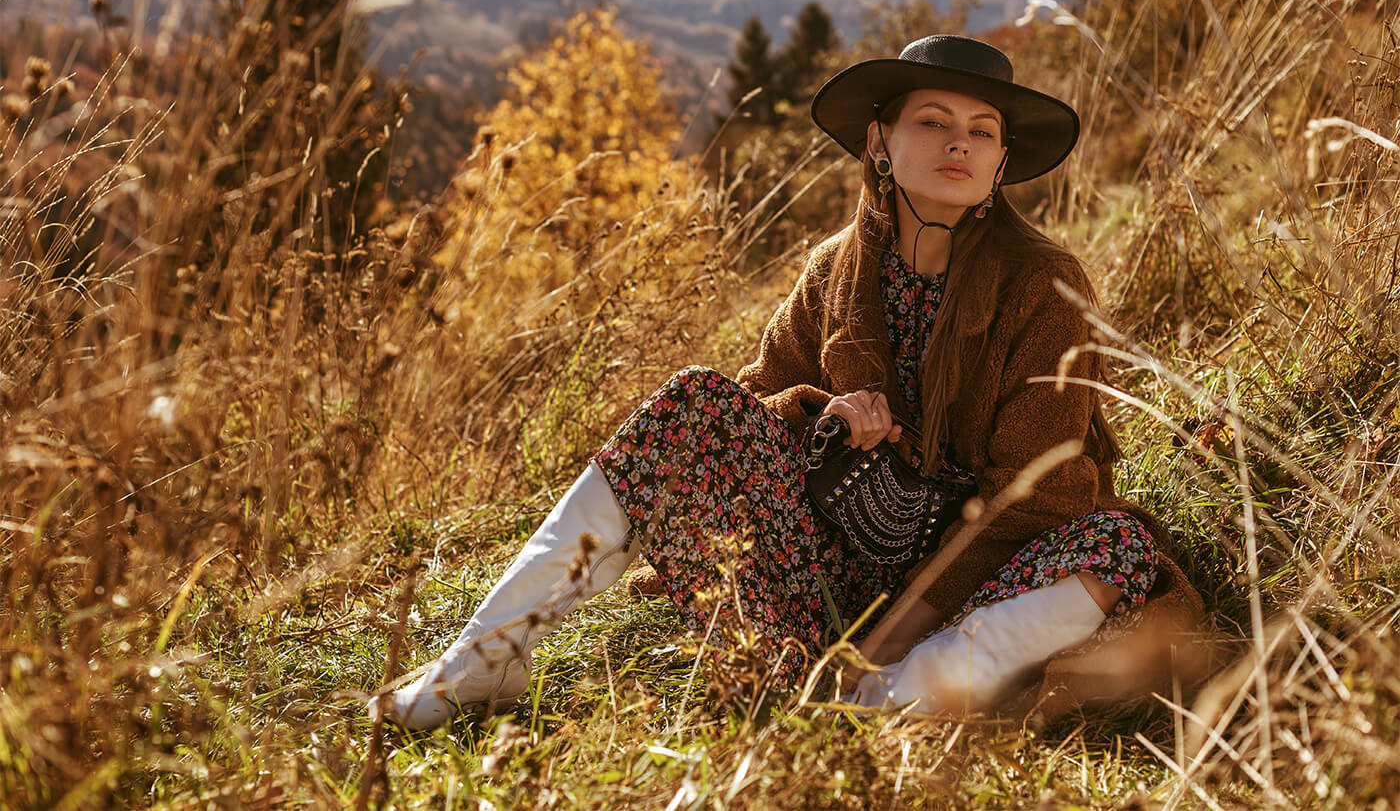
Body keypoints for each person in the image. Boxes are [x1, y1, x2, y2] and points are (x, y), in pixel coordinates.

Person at [370, 35, 1203, 731]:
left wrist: (892, 635)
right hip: (834, 566)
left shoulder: (1042, 284)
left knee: (1115, 546)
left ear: (1001, 161)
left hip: (975, 582)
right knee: (691, 403)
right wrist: (821, 415)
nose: (961, 144)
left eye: (983, 132)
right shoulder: (834, 269)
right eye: (934, 121)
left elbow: (1036, 495)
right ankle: (483, 658)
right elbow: (750, 410)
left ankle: (882, 699)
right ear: (879, 141)